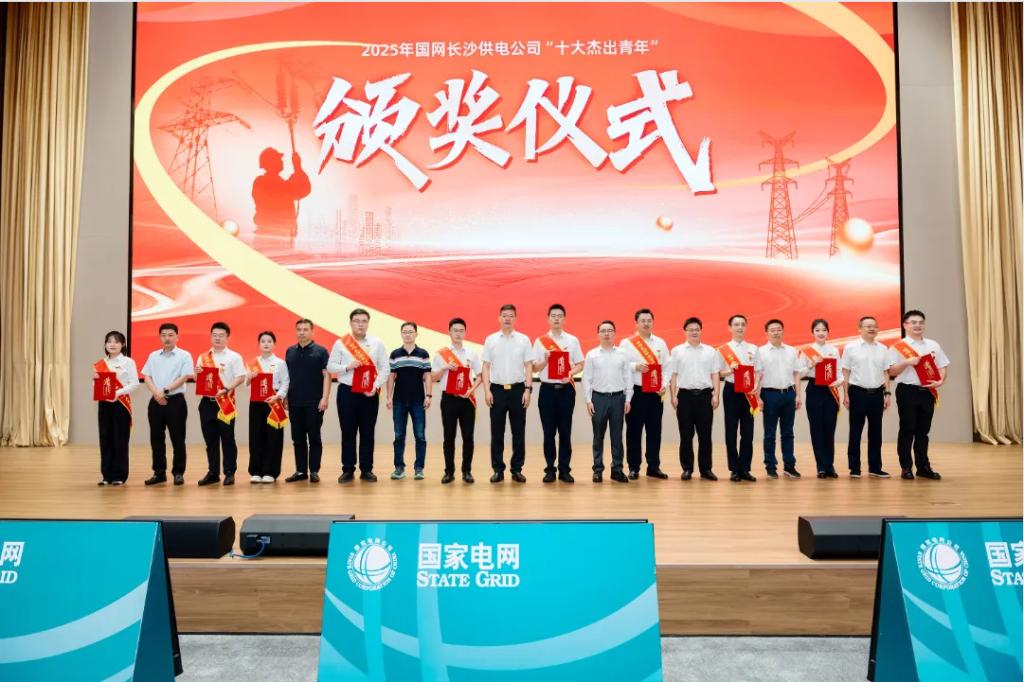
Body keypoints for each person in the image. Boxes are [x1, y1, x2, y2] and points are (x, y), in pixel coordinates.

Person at [328, 308, 389, 483]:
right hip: (347, 392)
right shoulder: (341, 343)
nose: (360, 324)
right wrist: (346, 367)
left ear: (368, 323)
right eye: (356, 321)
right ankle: (348, 469)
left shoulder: (377, 343)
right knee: (348, 432)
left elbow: (385, 367)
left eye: (364, 321)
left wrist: (375, 386)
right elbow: (330, 366)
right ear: (350, 323)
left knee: (367, 432)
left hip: (369, 393)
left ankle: (366, 469)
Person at [887, 309, 949, 480]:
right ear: (905, 325)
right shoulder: (898, 347)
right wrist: (906, 362)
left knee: (923, 431)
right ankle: (906, 467)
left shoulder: (933, 345)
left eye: (921, 322)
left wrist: (940, 381)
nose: (918, 325)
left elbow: (943, 366)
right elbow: (891, 371)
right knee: (907, 429)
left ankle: (923, 467)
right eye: (913, 322)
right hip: (907, 391)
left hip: (927, 391)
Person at [481, 304, 534, 483]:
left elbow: (528, 366)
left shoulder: (524, 340)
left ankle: (517, 469)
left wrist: (528, 390)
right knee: (497, 432)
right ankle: (498, 470)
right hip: (497, 390)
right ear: (499, 318)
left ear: (515, 319)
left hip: (518, 390)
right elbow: (485, 366)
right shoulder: (491, 340)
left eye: (511, 315)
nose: (507, 318)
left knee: (518, 432)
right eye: (504, 315)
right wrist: (487, 391)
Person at [532, 304, 584, 484]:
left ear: (564, 319)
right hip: (546, 390)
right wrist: (545, 360)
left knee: (565, 432)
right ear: (548, 319)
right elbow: (534, 368)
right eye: (553, 315)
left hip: (566, 391)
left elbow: (580, 364)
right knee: (548, 433)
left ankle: (564, 470)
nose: (556, 318)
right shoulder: (540, 341)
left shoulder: (572, 340)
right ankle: (549, 469)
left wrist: (570, 373)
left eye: (560, 315)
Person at [668, 317, 723, 481]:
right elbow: (673, 375)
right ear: (685, 332)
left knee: (705, 435)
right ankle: (687, 468)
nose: (694, 332)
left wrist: (716, 394)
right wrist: (673, 396)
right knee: (686, 435)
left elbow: (715, 374)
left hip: (705, 396)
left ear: (701, 331)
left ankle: (706, 469)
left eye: (697, 329)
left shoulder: (710, 351)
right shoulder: (677, 351)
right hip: (684, 396)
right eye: (690, 329)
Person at [140, 323, 194, 486]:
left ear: (177, 337)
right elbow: (146, 376)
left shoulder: (184, 355)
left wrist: (165, 390)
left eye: (170, 335)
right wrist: (156, 393)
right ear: (160, 337)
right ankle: (159, 472)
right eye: (163, 335)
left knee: (178, 438)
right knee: (156, 438)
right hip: (155, 401)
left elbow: (184, 377)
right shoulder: (153, 356)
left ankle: (178, 473)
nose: (167, 338)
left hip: (175, 401)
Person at [619, 308, 670, 480]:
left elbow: (667, 367)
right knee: (634, 431)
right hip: (636, 392)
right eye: (643, 320)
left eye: (649, 320)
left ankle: (653, 467)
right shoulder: (627, 343)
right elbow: (621, 364)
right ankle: (634, 467)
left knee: (654, 431)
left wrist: (664, 385)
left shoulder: (660, 343)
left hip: (655, 393)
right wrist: (635, 366)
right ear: (636, 323)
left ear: (652, 322)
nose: (646, 323)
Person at [841, 316, 892, 478]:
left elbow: (886, 373)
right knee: (855, 432)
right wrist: (846, 394)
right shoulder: (850, 347)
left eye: (874, 326)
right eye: (868, 326)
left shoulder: (883, 348)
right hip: (857, 393)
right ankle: (854, 468)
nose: (871, 329)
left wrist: (887, 393)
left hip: (877, 394)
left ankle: (875, 468)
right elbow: (845, 372)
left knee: (876, 432)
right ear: (860, 329)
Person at [432, 317, 482, 484]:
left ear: (465, 333)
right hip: (449, 400)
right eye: (455, 330)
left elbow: (480, 376)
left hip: (467, 400)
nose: (458, 333)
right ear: (449, 332)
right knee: (449, 437)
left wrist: (471, 390)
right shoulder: (441, 354)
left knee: (468, 436)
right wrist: (444, 368)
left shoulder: (471, 353)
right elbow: (433, 377)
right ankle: (449, 472)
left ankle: (467, 471)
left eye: (461, 331)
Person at [195, 322, 246, 486]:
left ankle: (230, 473)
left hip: (225, 402)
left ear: (227, 337)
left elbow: (240, 377)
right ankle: (213, 473)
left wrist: (226, 388)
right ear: (211, 336)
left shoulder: (234, 357)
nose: (217, 338)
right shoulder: (203, 357)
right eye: (214, 335)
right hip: (207, 403)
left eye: (221, 335)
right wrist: (196, 375)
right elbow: (199, 380)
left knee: (228, 439)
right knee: (210, 440)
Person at [584, 320, 633, 483]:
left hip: (618, 398)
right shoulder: (592, 354)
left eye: (610, 330)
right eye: (603, 330)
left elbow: (628, 377)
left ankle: (617, 470)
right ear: (598, 334)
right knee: (598, 436)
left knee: (617, 436)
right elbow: (587, 379)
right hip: (598, 398)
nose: (606, 333)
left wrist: (628, 399)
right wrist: (588, 400)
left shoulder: (623, 354)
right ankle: (597, 470)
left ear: (615, 333)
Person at [284, 319, 331, 483]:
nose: (302, 332)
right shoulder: (290, 351)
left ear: (312, 332)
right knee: (297, 438)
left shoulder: (321, 351)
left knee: (314, 438)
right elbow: (286, 377)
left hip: (314, 403)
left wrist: (325, 397)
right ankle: (301, 471)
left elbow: (327, 375)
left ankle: (314, 471)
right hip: (294, 402)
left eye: (305, 329)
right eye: (299, 329)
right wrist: (285, 397)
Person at [756, 319, 803, 479]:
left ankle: (789, 466)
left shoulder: (791, 351)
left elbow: (796, 373)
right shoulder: (760, 352)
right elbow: (757, 376)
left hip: (789, 394)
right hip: (769, 395)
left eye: (778, 329)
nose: (776, 332)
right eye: (772, 330)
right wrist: (757, 397)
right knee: (769, 433)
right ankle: (770, 466)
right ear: (767, 333)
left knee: (788, 432)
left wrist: (798, 395)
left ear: (783, 331)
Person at [718, 314, 762, 482]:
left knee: (748, 433)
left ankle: (745, 468)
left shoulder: (753, 348)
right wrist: (730, 370)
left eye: (743, 324)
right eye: (736, 324)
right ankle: (734, 469)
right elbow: (717, 373)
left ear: (746, 327)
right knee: (731, 432)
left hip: (748, 393)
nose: (740, 327)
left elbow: (758, 371)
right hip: (731, 391)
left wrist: (756, 387)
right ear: (730, 328)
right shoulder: (723, 350)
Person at [386, 322, 431, 480]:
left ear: (416, 334)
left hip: (418, 401)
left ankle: (419, 469)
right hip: (399, 401)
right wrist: (389, 397)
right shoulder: (395, 354)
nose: (407, 334)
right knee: (399, 435)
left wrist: (428, 396)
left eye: (410, 332)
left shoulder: (423, 354)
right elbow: (391, 377)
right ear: (401, 334)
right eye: (404, 332)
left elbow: (427, 376)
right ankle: (399, 468)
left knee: (420, 436)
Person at [799, 319, 843, 479]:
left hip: (830, 390)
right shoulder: (806, 351)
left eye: (824, 329)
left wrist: (838, 382)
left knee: (829, 429)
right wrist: (810, 365)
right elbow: (798, 373)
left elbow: (840, 373)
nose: (821, 333)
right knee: (816, 429)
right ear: (813, 332)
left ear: (828, 332)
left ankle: (829, 465)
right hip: (814, 390)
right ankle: (821, 467)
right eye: (817, 330)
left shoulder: (834, 350)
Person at [94, 331, 139, 486]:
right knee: (105, 438)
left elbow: (135, 384)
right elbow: (97, 385)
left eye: (116, 342)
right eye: (109, 341)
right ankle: (106, 475)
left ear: (123, 344)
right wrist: (95, 381)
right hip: (104, 404)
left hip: (121, 404)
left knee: (120, 439)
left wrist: (117, 393)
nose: (112, 344)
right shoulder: (101, 364)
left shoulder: (128, 362)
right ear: (105, 344)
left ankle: (120, 475)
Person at [244, 331, 290, 483]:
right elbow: (246, 384)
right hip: (256, 403)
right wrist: (249, 377)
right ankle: (256, 471)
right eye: (263, 341)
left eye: (269, 341)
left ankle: (271, 472)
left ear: (274, 344)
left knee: (274, 437)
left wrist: (279, 396)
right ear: (259, 344)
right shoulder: (253, 363)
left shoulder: (280, 363)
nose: (266, 344)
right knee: (256, 436)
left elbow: (285, 382)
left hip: (274, 401)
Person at [251, 148, 311, 247]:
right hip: (270, 237)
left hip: (282, 237)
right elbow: (300, 190)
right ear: (270, 163)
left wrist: (298, 168)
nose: (281, 161)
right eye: (278, 159)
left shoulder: (281, 184)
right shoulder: (262, 182)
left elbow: (303, 190)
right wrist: (297, 168)